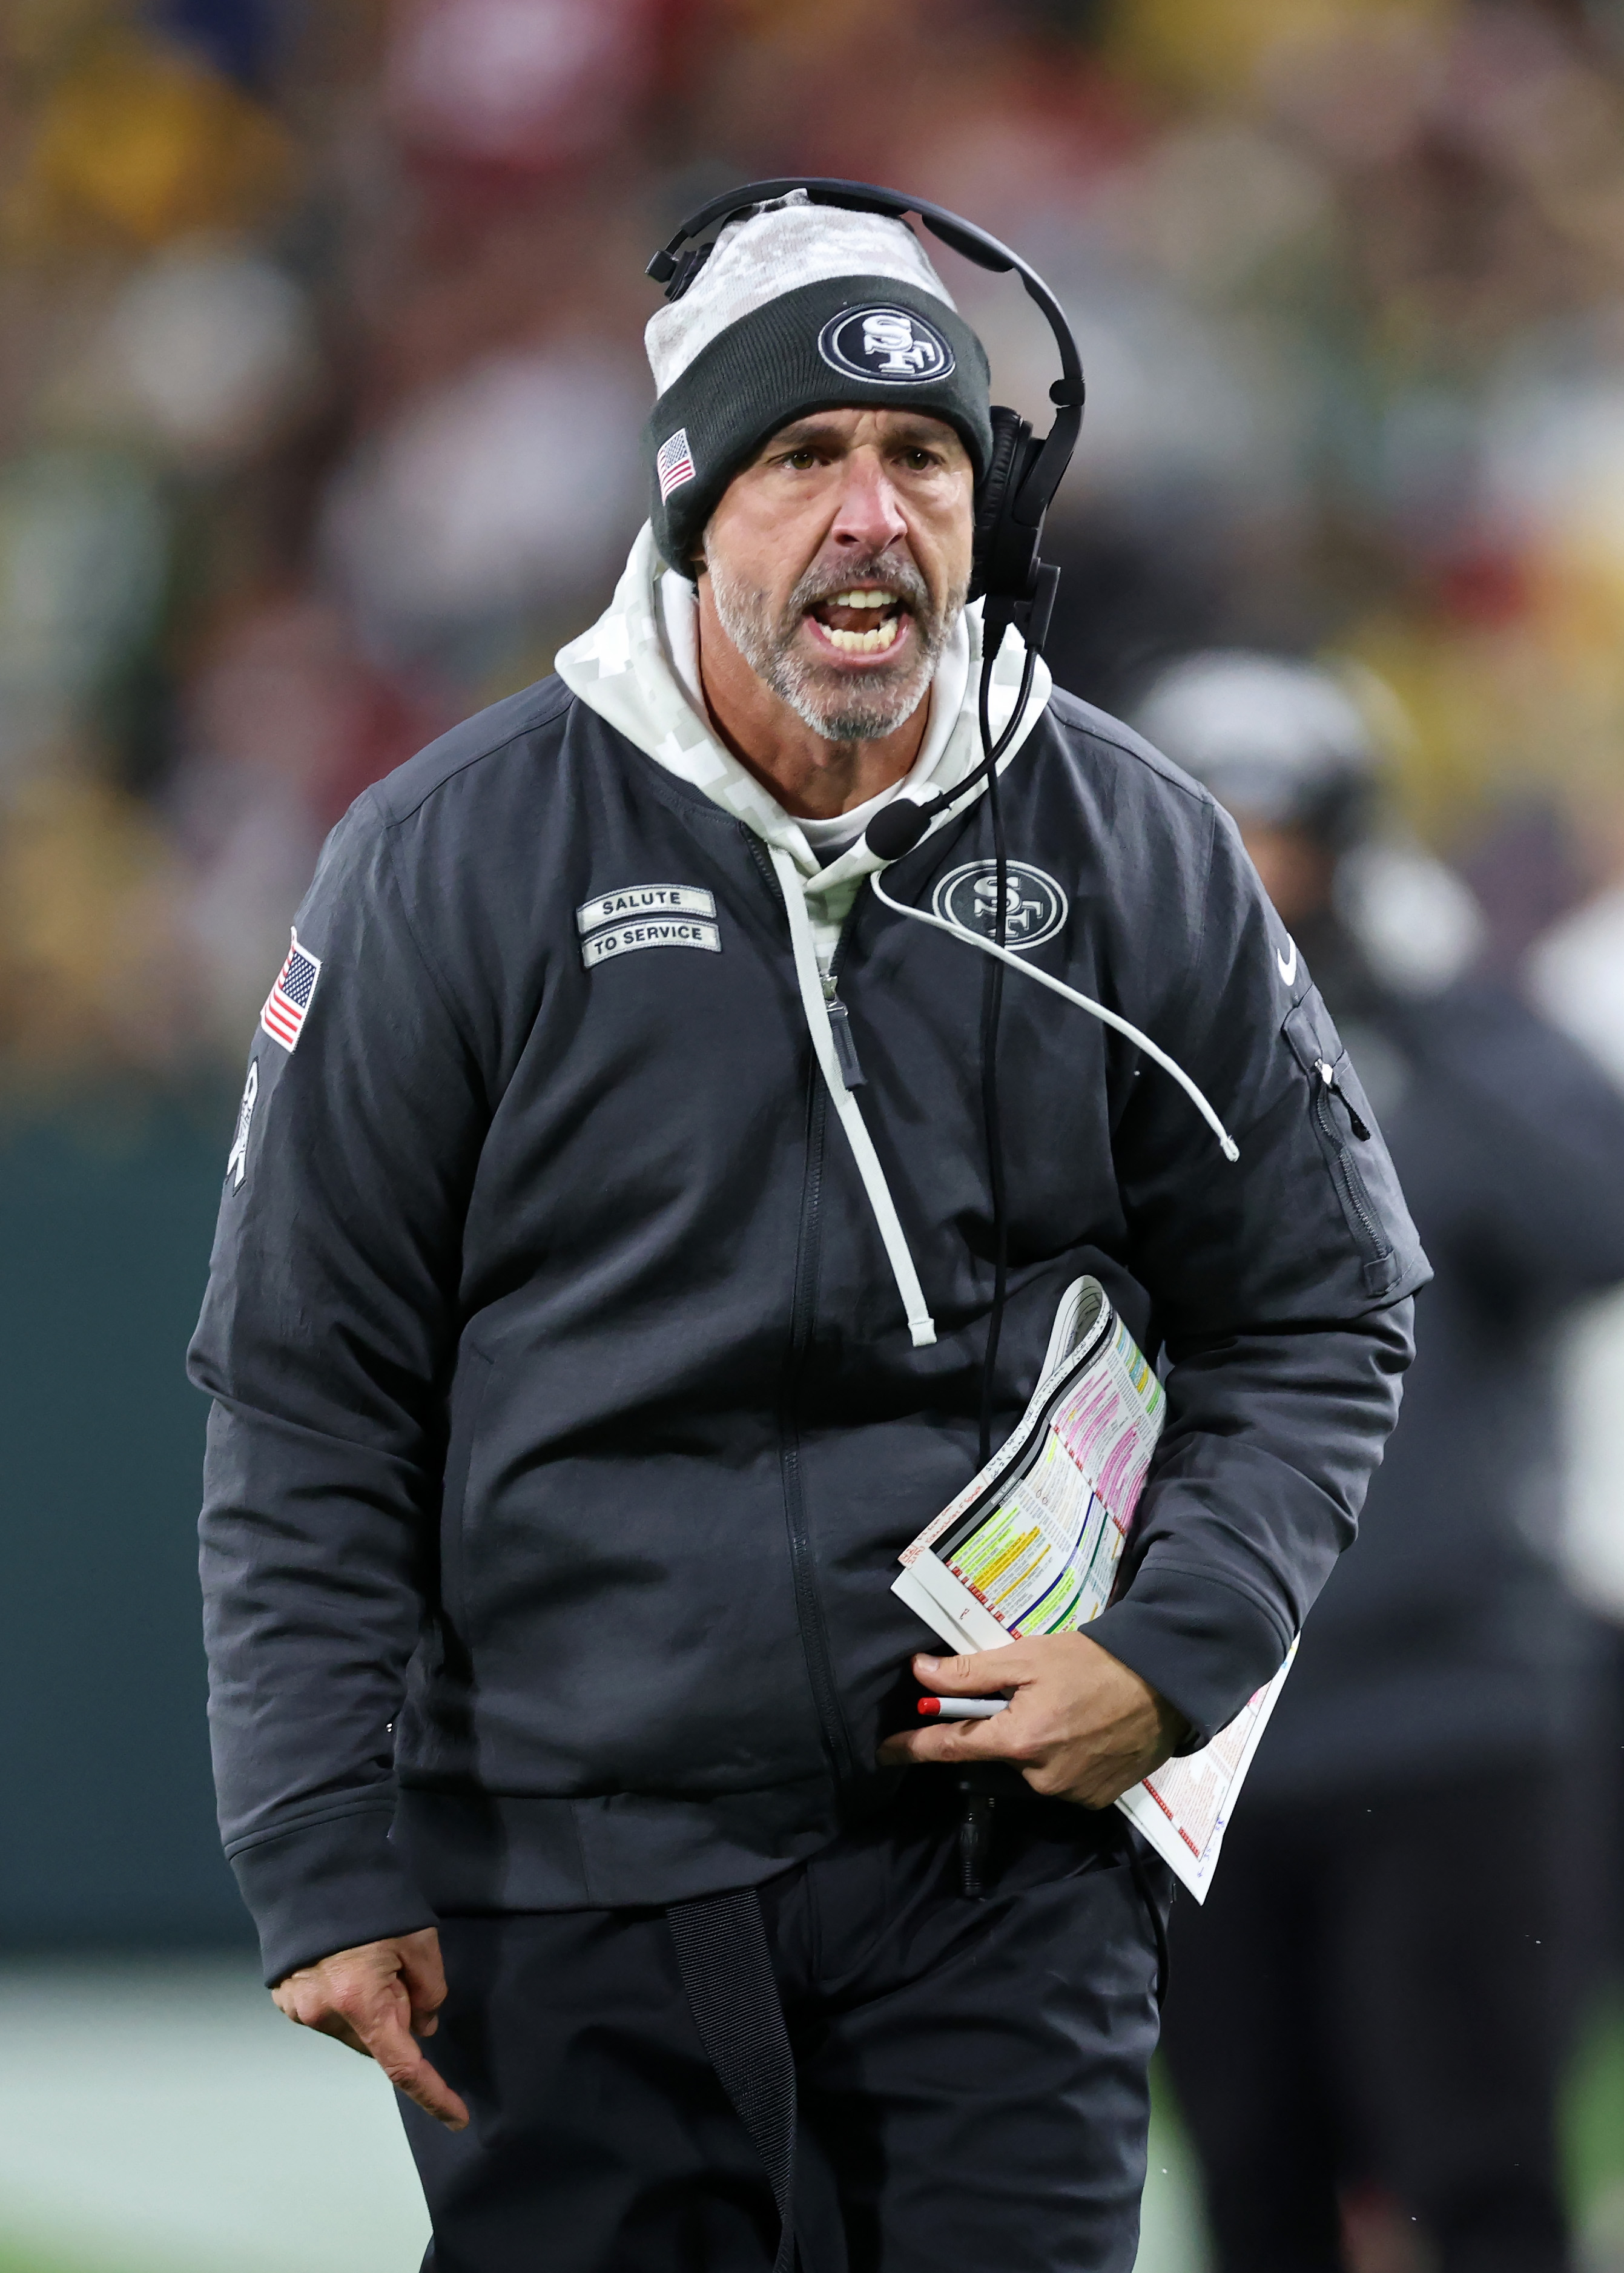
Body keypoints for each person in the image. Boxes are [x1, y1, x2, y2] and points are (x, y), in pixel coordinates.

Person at [190, 191, 1425, 2273]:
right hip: (564, 1872)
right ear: (691, 512)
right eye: (804, 459)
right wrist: (320, 1842)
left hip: (992, 1870)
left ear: (989, 505)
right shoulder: (448, 858)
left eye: (922, 457)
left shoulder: (1132, 842)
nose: (871, 512)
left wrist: (1168, 1651)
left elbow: (1317, 1310)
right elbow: (309, 1390)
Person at [1138, 653, 1624, 2273]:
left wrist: (1407, 1017)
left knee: (1472, 2180)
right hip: (1198, 1723)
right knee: (1255, 2185)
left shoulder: (1443, 1039)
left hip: (1449, 1711)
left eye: (1271, 824)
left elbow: (1590, 1220)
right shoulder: (1094, 1059)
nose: (1242, 860)